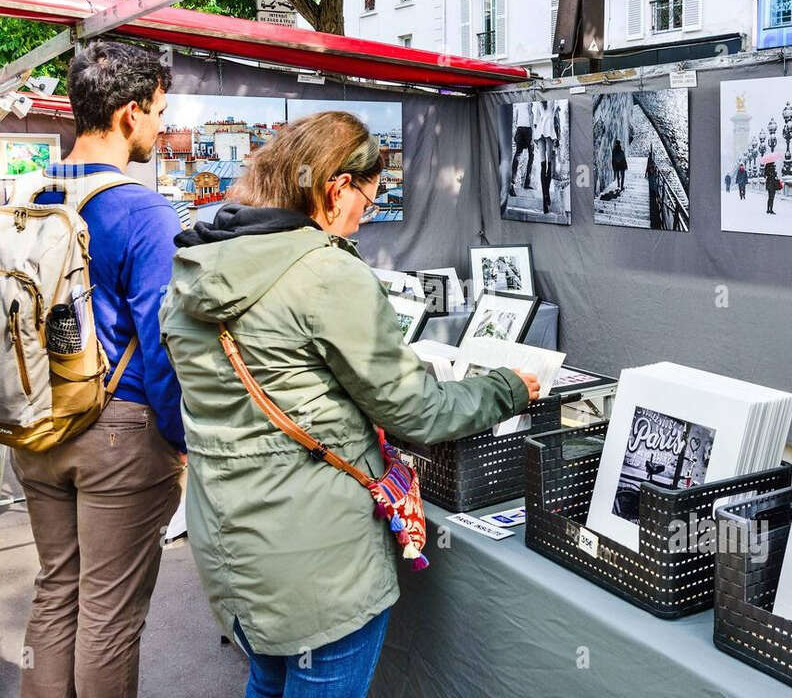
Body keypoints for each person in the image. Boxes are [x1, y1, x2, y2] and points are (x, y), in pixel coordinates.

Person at [158, 111, 541, 698]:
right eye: (370, 195)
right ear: (336, 188)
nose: (366, 214)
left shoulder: (193, 268)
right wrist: (508, 388)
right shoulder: (325, 274)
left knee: (265, 679)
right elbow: (418, 411)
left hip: (230, 544)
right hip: (317, 563)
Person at [10, 41, 185, 698]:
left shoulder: (30, 192)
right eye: (158, 113)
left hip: (36, 421)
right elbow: (164, 344)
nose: (159, 128)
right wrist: (180, 440)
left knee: (56, 593)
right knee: (109, 617)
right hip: (119, 433)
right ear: (129, 113)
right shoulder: (145, 211)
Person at [532, 100, 560, 215]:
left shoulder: (539, 102)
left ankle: (545, 199)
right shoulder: (553, 101)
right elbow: (556, 117)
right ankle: (546, 195)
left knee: (543, 165)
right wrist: (557, 137)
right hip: (548, 129)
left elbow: (535, 121)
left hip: (540, 131)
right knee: (548, 165)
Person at [509, 102, 534, 196]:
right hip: (528, 129)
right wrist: (533, 132)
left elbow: (515, 117)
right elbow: (530, 114)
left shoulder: (518, 103)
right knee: (531, 156)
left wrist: (515, 130)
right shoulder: (529, 101)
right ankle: (527, 182)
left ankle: (512, 183)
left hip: (519, 129)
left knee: (518, 155)